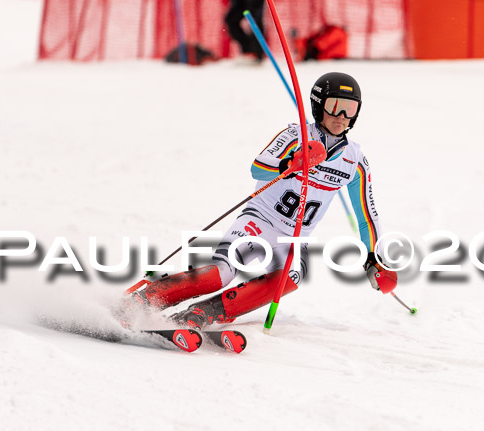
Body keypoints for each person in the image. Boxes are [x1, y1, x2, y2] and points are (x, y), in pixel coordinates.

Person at [127, 72, 397, 329]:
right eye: (334, 106)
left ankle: (201, 314)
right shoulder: (296, 136)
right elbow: (258, 168)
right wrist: (291, 163)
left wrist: (374, 259)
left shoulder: (355, 162)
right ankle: (144, 300)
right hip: (260, 219)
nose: (341, 116)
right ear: (318, 106)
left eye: (349, 109)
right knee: (219, 273)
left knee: (289, 279)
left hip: (294, 237)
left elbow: (367, 216)